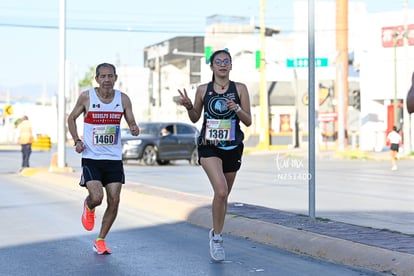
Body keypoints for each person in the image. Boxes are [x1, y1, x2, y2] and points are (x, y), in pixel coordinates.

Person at [177, 49, 252, 261]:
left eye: (226, 61)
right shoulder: (203, 89)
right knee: (220, 191)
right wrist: (189, 106)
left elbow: (248, 121)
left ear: (230, 65)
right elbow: (194, 118)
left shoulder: (240, 88)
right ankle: (217, 239)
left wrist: (236, 107)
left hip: (232, 146)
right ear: (211, 66)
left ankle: (215, 231)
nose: (222, 64)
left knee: (224, 194)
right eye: (217, 61)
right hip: (209, 145)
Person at [67, 63, 140, 255]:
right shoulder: (86, 97)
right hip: (91, 157)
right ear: (97, 79)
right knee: (97, 197)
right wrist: (77, 141)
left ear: (116, 78)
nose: (107, 80)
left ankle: (100, 240)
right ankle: (89, 205)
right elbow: (71, 118)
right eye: (103, 76)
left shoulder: (123, 99)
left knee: (114, 200)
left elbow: (132, 121)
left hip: (114, 158)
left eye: (110, 76)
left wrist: (134, 127)